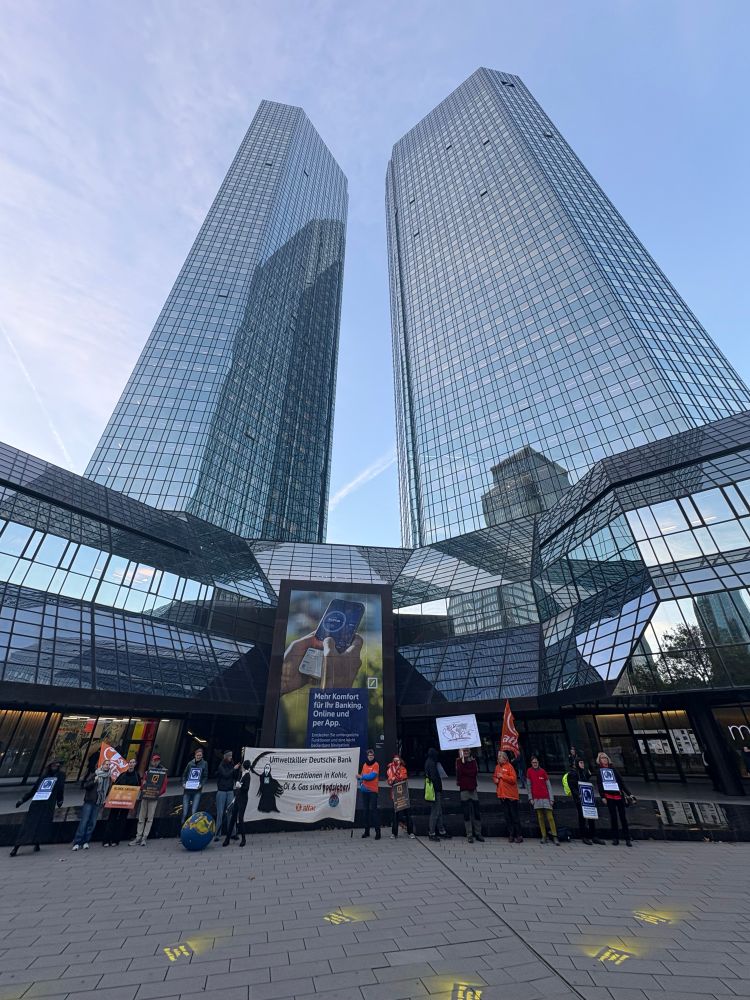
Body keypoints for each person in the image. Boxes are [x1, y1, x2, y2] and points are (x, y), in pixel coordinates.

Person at [11, 760, 66, 856]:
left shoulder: (59, 776)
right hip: (37, 803)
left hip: (48, 804)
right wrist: (22, 800)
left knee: (41, 824)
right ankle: (17, 846)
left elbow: (60, 789)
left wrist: (60, 800)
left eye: (57, 765)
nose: (55, 766)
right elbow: (33, 790)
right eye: (53, 765)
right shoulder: (43, 777)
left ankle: (37, 842)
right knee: (29, 824)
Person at [596, 752, 634, 847]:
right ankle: (615, 838)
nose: (604, 760)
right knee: (613, 817)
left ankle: (627, 838)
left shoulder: (613, 769)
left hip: (618, 795)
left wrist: (629, 794)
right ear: (599, 760)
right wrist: (603, 796)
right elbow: (599, 785)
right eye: (602, 758)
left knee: (623, 818)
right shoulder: (599, 771)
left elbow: (621, 782)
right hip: (609, 796)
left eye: (605, 758)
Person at [72, 760, 112, 850]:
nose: (107, 766)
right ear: (102, 765)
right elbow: (86, 786)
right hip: (89, 801)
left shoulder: (108, 778)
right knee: (84, 821)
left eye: (109, 765)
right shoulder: (95, 774)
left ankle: (86, 841)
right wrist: (94, 781)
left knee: (92, 823)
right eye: (106, 764)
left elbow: (108, 790)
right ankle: (77, 841)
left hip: (98, 802)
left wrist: (104, 798)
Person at [131, 752, 168, 846]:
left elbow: (164, 786)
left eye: (157, 760)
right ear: (151, 761)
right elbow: (143, 781)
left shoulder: (163, 772)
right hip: (146, 796)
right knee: (141, 817)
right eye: (154, 760)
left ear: (159, 761)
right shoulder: (148, 772)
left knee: (149, 818)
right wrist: (143, 786)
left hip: (153, 797)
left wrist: (157, 793)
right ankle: (138, 837)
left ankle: (144, 837)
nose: (155, 762)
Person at [566, 758, 605, 846]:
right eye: (581, 762)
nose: (582, 764)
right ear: (576, 764)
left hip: (587, 798)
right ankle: (584, 836)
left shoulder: (583, 772)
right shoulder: (572, 774)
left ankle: (593, 835)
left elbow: (586, 782)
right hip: (580, 799)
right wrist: (578, 795)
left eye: (583, 762)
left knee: (591, 816)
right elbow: (572, 787)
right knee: (582, 817)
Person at [102, 759, 140, 847]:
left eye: (133, 762)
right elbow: (115, 786)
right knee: (112, 818)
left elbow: (138, 787)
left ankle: (116, 840)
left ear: (135, 764)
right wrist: (108, 797)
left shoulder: (136, 776)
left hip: (127, 801)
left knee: (122, 820)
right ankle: (106, 840)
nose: (131, 764)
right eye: (130, 762)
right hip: (117, 800)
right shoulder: (122, 775)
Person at [527, 755, 558, 845]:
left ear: (538, 762)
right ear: (531, 763)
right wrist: (530, 798)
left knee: (550, 817)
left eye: (536, 762)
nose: (535, 764)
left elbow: (549, 786)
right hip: (536, 797)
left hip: (545, 797)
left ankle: (554, 835)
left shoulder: (543, 771)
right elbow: (529, 786)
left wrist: (551, 798)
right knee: (540, 817)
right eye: (533, 763)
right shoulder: (529, 771)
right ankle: (544, 836)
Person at [455, 748, 484, 843]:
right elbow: (459, 774)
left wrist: (465, 770)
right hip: (464, 789)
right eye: (464, 751)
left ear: (470, 751)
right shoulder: (459, 761)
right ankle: (469, 834)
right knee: (466, 813)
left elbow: (474, 772)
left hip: (473, 788)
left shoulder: (473, 761)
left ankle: (478, 833)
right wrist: (462, 762)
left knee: (476, 812)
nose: (466, 752)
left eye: (467, 751)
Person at [493, 751, 522, 843]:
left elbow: (513, 779)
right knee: (507, 816)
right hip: (502, 795)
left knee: (514, 816)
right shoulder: (497, 767)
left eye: (500, 756)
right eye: (498, 756)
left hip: (511, 796)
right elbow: (494, 777)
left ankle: (519, 835)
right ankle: (511, 834)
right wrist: (495, 780)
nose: (499, 758)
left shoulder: (509, 766)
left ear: (505, 758)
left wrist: (503, 776)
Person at [386, 754, 415, 839]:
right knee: (395, 815)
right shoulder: (389, 769)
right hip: (395, 795)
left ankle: (411, 832)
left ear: (400, 761)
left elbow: (403, 777)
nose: (396, 762)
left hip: (404, 794)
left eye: (397, 760)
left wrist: (395, 776)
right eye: (395, 760)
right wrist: (394, 778)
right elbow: (390, 781)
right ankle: (394, 833)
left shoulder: (403, 768)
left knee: (407, 814)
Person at [224, 759, 251, 847]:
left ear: (244, 766)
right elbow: (235, 778)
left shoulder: (247, 775)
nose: (241, 767)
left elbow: (246, 788)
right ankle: (227, 839)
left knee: (240, 818)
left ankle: (243, 839)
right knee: (233, 818)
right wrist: (235, 770)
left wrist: (240, 786)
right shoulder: (240, 774)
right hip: (237, 798)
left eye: (242, 765)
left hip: (243, 799)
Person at [424, 747, 450, 841]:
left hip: (432, 789)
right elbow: (434, 777)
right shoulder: (432, 763)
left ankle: (440, 830)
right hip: (435, 789)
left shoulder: (428, 762)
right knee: (436, 811)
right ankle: (432, 832)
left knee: (437, 810)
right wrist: (439, 788)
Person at [214, 750, 239, 840]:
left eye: (231, 756)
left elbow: (234, 776)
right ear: (226, 757)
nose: (231, 757)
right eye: (229, 756)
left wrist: (236, 771)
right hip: (221, 791)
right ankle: (217, 834)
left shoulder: (232, 765)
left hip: (230, 790)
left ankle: (232, 833)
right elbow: (225, 775)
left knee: (231, 812)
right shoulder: (221, 766)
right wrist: (234, 769)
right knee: (220, 813)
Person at [181, 747, 208, 827]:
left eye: (200, 755)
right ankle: (181, 829)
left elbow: (205, 776)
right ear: (195, 755)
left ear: (202, 756)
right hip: (187, 790)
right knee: (185, 812)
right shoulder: (190, 763)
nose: (198, 756)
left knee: (194, 811)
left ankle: (191, 829)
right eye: (197, 755)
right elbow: (184, 775)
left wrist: (201, 784)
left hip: (197, 790)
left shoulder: (204, 764)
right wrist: (183, 783)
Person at [358, 748, 380, 839]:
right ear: (367, 756)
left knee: (374, 812)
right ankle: (366, 832)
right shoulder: (364, 765)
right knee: (365, 812)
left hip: (373, 791)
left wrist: (362, 777)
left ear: (373, 756)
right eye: (369, 756)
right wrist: (360, 780)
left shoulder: (376, 764)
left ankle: (378, 832)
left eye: (372, 756)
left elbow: (372, 776)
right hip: (365, 791)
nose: (370, 757)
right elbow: (361, 776)